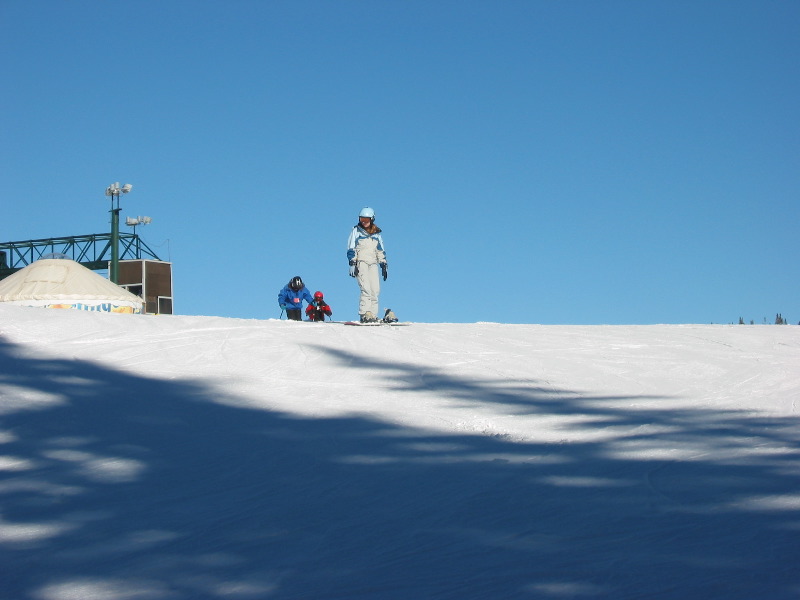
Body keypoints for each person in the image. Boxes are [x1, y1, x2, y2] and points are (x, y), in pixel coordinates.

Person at [347, 207, 388, 323]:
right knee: (366, 289)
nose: (363, 221)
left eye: (366, 219)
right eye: (361, 219)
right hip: (361, 262)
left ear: (372, 219)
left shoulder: (377, 234)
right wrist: (352, 262)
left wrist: (383, 264)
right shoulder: (356, 231)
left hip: (373, 263)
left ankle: (373, 315)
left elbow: (380, 250)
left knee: (375, 290)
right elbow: (351, 248)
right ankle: (364, 313)